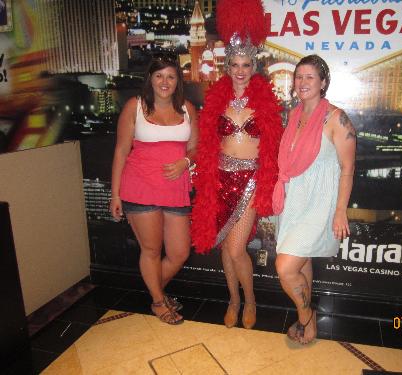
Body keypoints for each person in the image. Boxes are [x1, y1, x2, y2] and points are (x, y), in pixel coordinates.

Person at [191, 0, 282, 329]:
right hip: (220, 179)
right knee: (225, 250)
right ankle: (233, 299)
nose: (241, 70)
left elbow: (273, 146)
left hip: (251, 180)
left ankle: (251, 300)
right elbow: (206, 144)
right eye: (235, 64)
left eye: (246, 64)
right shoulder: (216, 100)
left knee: (235, 246)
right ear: (227, 66)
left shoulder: (267, 101)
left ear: (253, 66)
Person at [273, 54, 356, 344]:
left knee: (285, 267)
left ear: (323, 82)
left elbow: (348, 168)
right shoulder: (294, 114)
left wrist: (340, 211)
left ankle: (308, 319)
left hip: (320, 203)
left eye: (310, 77)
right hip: (295, 198)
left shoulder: (336, 118)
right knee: (300, 262)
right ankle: (304, 316)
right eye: (299, 76)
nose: (303, 82)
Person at [110, 55, 198, 324]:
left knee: (179, 252)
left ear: (177, 81)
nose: (164, 82)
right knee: (151, 250)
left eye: (171, 76)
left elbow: (195, 147)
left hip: (175, 189)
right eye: (159, 76)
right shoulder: (135, 107)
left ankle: (155, 291)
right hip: (140, 187)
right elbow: (122, 150)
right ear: (150, 78)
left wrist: (185, 161)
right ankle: (159, 302)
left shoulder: (186, 108)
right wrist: (115, 194)